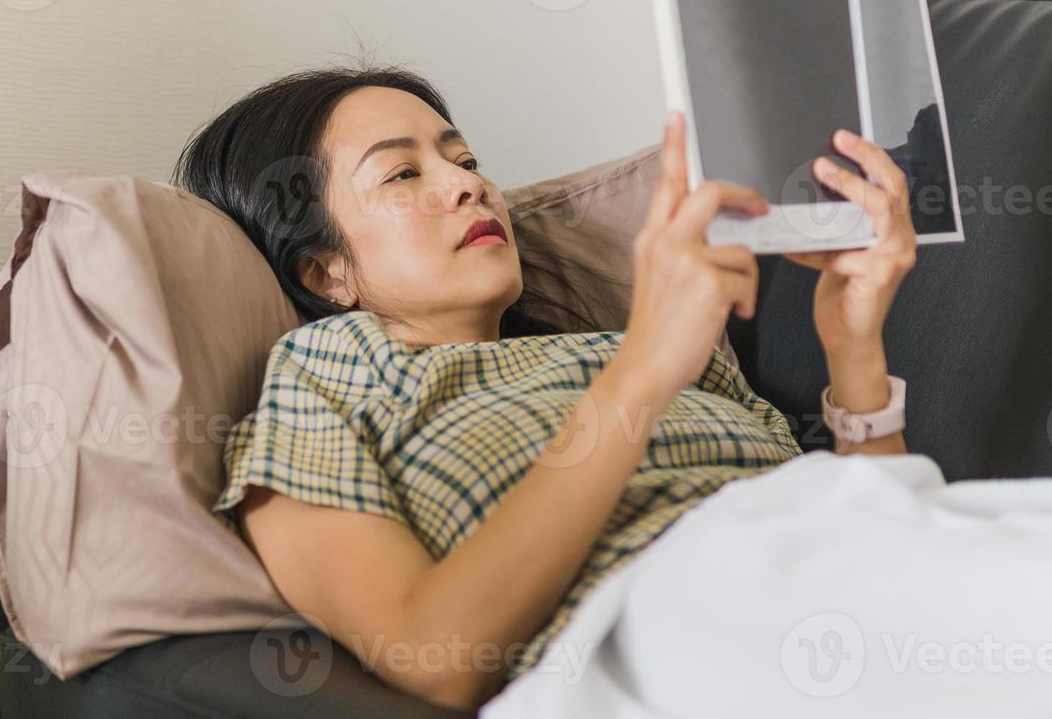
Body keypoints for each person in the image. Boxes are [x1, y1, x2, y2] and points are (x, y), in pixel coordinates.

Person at [173, 63, 917, 710]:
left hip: (869, 597)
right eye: (403, 173)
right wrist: (646, 370)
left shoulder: (644, 346)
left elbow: (876, 532)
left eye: (465, 159)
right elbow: (435, 660)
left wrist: (854, 353)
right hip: (708, 647)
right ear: (324, 272)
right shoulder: (327, 371)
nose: (467, 184)